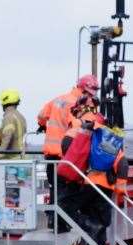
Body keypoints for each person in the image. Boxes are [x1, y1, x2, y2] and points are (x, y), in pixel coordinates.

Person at [59, 110, 128, 245]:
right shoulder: (111, 141)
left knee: (63, 206)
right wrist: (121, 187)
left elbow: (72, 152)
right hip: (107, 188)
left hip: (90, 183)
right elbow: (123, 163)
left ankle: (87, 226)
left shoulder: (87, 135)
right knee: (101, 224)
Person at [37, 74, 99, 227]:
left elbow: (40, 117)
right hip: (67, 155)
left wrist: (45, 126)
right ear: (85, 90)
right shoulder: (80, 106)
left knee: (54, 186)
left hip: (51, 152)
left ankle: (53, 219)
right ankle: (60, 222)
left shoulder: (58, 99)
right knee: (65, 190)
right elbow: (80, 128)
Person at [0, 89, 27, 160]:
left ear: (5, 102)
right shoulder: (20, 116)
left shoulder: (9, 117)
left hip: (12, 159)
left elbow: (7, 137)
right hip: (21, 157)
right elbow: (17, 135)